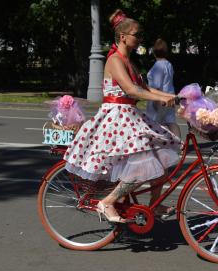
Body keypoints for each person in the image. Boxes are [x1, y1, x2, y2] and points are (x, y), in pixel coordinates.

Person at [63, 9, 181, 223]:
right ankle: (107, 201)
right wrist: (162, 99)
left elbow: (146, 88)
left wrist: (173, 96)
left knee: (163, 154)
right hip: (117, 118)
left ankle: (154, 205)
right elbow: (131, 90)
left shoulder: (130, 63)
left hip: (130, 116)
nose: (140, 39)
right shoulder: (115, 60)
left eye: (141, 35)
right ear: (123, 36)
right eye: (137, 34)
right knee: (142, 166)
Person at [146, 39, 181, 138]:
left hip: (159, 98)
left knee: (153, 123)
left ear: (154, 52)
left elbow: (157, 85)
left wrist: (156, 100)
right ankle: (179, 144)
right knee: (171, 122)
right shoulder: (168, 64)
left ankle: (156, 144)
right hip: (170, 96)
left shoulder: (157, 66)